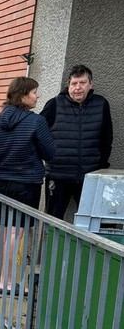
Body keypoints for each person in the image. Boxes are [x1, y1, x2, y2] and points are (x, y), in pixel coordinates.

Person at [40, 64, 113, 219]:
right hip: (58, 176)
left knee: (90, 221)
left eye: (82, 83)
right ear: (68, 85)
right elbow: (37, 132)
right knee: (53, 220)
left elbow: (107, 138)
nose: (78, 87)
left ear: (91, 84)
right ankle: (50, 244)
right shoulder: (55, 104)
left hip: (89, 177)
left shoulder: (101, 104)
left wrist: (100, 166)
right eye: (74, 83)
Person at [0, 76, 55, 210]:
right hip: (27, 183)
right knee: (19, 228)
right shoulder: (37, 121)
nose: (38, 96)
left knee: (3, 225)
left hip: (3, 181)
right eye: (34, 92)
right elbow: (49, 153)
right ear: (22, 96)